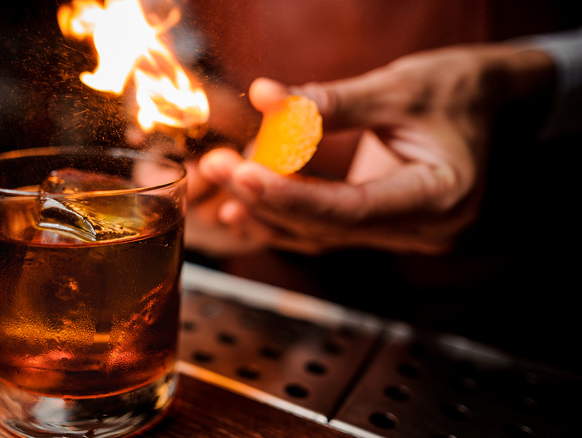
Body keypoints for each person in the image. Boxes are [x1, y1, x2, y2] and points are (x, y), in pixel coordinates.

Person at [178, 2, 582, 373]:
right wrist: (196, 164)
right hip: (274, 298)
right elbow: (182, 40)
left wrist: (525, 81)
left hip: (502, 303)